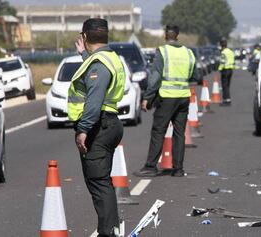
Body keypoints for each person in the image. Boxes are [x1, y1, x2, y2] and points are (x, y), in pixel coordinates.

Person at [68, 18, 125, 237]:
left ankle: (108, 232)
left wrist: (83, 129)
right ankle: (110, 229)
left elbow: (94, 99)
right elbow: (97, 76)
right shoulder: (108, 57)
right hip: (108, 123)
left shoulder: (99, 63)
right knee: (102, 182)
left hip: (99, 126)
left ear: (84, 36)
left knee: (99, 184)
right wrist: (84, 54)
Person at [133, 25, 199, 177]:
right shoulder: (188, 52)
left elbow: (155, 78)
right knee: (179, 133)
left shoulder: (163, 51)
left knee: (158, 131)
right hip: (183, 97)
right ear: (177, 35)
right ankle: (178, 169)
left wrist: (148, 97)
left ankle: (150, 167)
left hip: (167, 97)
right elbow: (195, 76)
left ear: (165, 36)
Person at [218, 38, 235, 106]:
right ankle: (227, 99)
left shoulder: (223, 52)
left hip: (225, 70)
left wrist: (219, 68)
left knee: (224, 86)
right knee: (227, 85)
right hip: (230, 70)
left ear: (221, 45)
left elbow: (222, 62)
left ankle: (226, 100)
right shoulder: (230, 51)